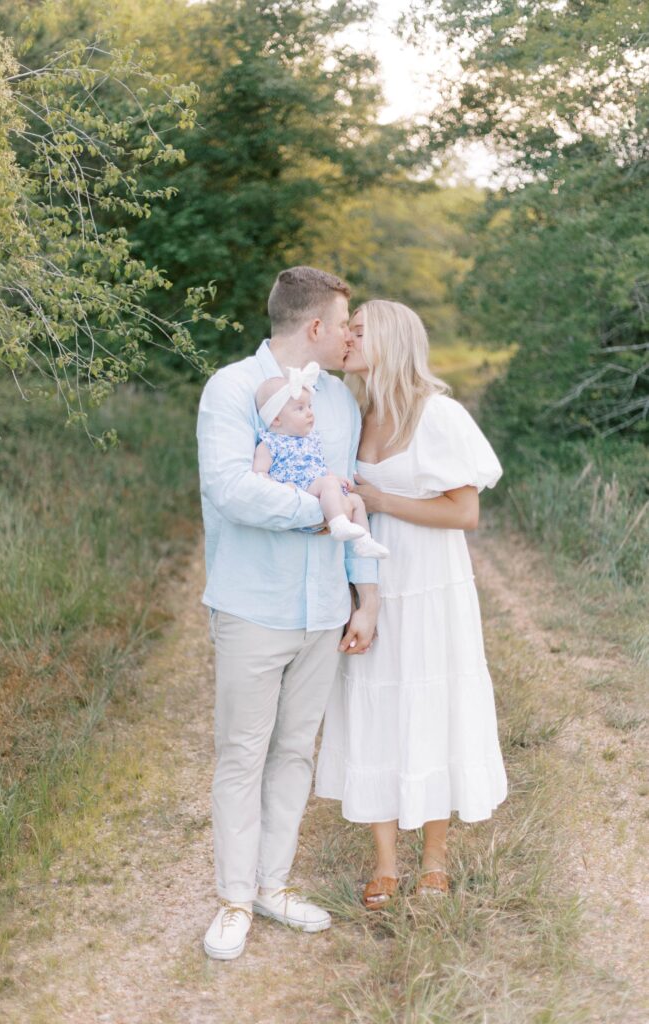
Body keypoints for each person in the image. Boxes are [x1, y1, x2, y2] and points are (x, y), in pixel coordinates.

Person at [196, 267, 380, 959]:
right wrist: (316, 517)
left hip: (323, 608)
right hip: (252, 605)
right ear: (314, 328)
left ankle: (273, 887)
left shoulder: (341, 402)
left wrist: (363, 595)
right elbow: (231, 489)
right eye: (343, 324)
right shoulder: (231, 389)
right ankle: (234, 900)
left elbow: (355, 497)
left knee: (296, 751)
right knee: (242, 754)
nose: (349, 336)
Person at [315, 299, 507, 907]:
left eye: (359, 330)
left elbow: (465, 512)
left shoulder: (438, 415)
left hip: (431, 583)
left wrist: (383, 499)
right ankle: (385, 863)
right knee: (373, 707)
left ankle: (435, 861)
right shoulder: (355, 413)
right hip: (373, 582)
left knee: (433, 703)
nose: (348, 336)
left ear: (391, 341)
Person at [253, 370, 389, 559]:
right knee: (328, 483)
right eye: (300, 409)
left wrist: (337, 479)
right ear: (276, 419)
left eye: (309, 406)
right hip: (300, 493)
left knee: (356, 500)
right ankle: (338, 523)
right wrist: (280, 488)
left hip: (318, 490)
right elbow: (259, 474)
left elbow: (320, 468)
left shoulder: (310, 439)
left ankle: (364, 542)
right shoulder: (270, 443)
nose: (309, 413)